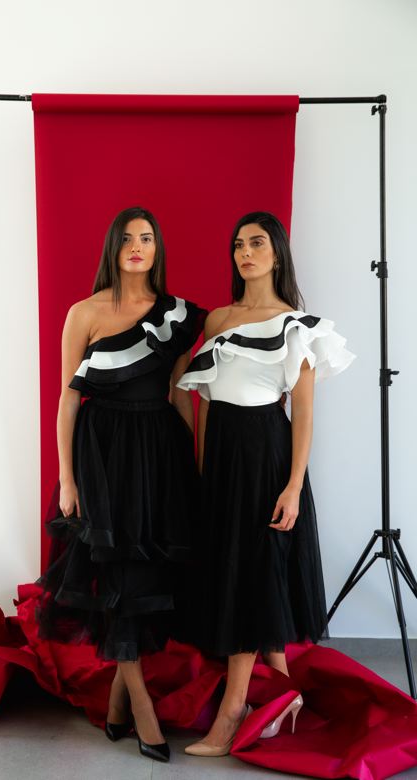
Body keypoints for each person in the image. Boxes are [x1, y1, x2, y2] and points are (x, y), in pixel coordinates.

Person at [176, 211, 355, 757]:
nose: (245, 253)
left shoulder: (297, 326)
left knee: (253, 574)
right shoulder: (217, 321)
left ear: (277, 253)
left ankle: (232, 712)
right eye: (238, 245)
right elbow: (202, 402)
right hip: (223, 460)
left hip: (266, 458)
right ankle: (283, 695)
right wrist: (202, 467)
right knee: (246, 574)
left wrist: (294, 486)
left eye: (256, 243)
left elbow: (303, 414)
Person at [34, 206, 207, 763]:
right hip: (102, 454)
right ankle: (141, 707)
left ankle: (115, 702)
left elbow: (180, 395)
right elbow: (67, 401)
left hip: (160, 453)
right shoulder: (83, 312)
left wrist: (197, 465)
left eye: (147, 238)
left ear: (157, 249)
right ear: (113, 247)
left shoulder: (176, 315)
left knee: (146, 575)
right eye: (128, 237)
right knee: (118, 574)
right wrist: (67, 478)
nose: (137, 246)